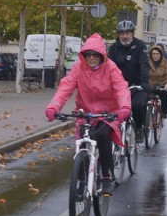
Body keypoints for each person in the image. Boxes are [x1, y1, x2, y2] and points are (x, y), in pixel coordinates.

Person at [44, 33, 131, 195]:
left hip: (107, 114)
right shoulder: (78, 68)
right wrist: (53, 107)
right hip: (85, 114)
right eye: (88, 54)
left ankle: (106, 176)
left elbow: (121, 88)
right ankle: (82, 180)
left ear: (101, 55)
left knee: (103, 136)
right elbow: (65, 88)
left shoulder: (111, 68)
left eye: (95, 54)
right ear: (83, 55)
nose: (91, 58)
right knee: (82, 141)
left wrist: (124, 107)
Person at [107, 20, 149, 144]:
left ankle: (139, 129)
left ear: (132, 33)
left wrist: (144, 82)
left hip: (136, 85)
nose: (124, 36)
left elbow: (144, 65)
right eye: (122, 33)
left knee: (137, 105)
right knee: (110, 110)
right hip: (118, 87)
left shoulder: (140, 46)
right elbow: (108, 66)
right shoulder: (114, 48)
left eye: (127, 33)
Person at [147, 44, 167, 119]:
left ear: (161, 54)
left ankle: (164, 111)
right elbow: (143, 73)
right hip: (151, 85)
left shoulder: (165, 62)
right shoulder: (147, 62)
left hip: (163, 85)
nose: (155, 56)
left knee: (164, 95)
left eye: (157, 54)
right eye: (153, 54)